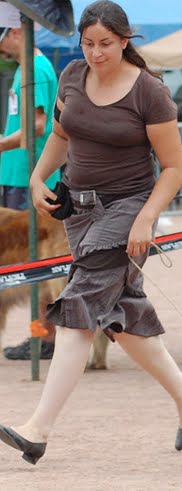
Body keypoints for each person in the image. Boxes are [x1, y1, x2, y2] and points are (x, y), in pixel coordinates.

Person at [0, 0, 182, 465]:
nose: (96, 53)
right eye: (88, 44)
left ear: (125, 40)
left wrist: (145, 218)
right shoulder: (73, 75)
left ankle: (38, 429)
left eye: (106, 45)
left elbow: (174, 168)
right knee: (119, 314)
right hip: (77, 211)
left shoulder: (150, 92)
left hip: (128, 209)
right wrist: (38, 177)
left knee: (78, 308)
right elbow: (60, 135)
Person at [0, 26, 61, 360]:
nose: (3, 51)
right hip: (19, 172)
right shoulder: (26, 67)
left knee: (38, 263)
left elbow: (36, 126)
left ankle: (45, 337)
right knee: (24, 263)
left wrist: (1, 144)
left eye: (3, 42)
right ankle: (39, 334)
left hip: (31, 174)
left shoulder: (34, 68)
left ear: (14, 32)